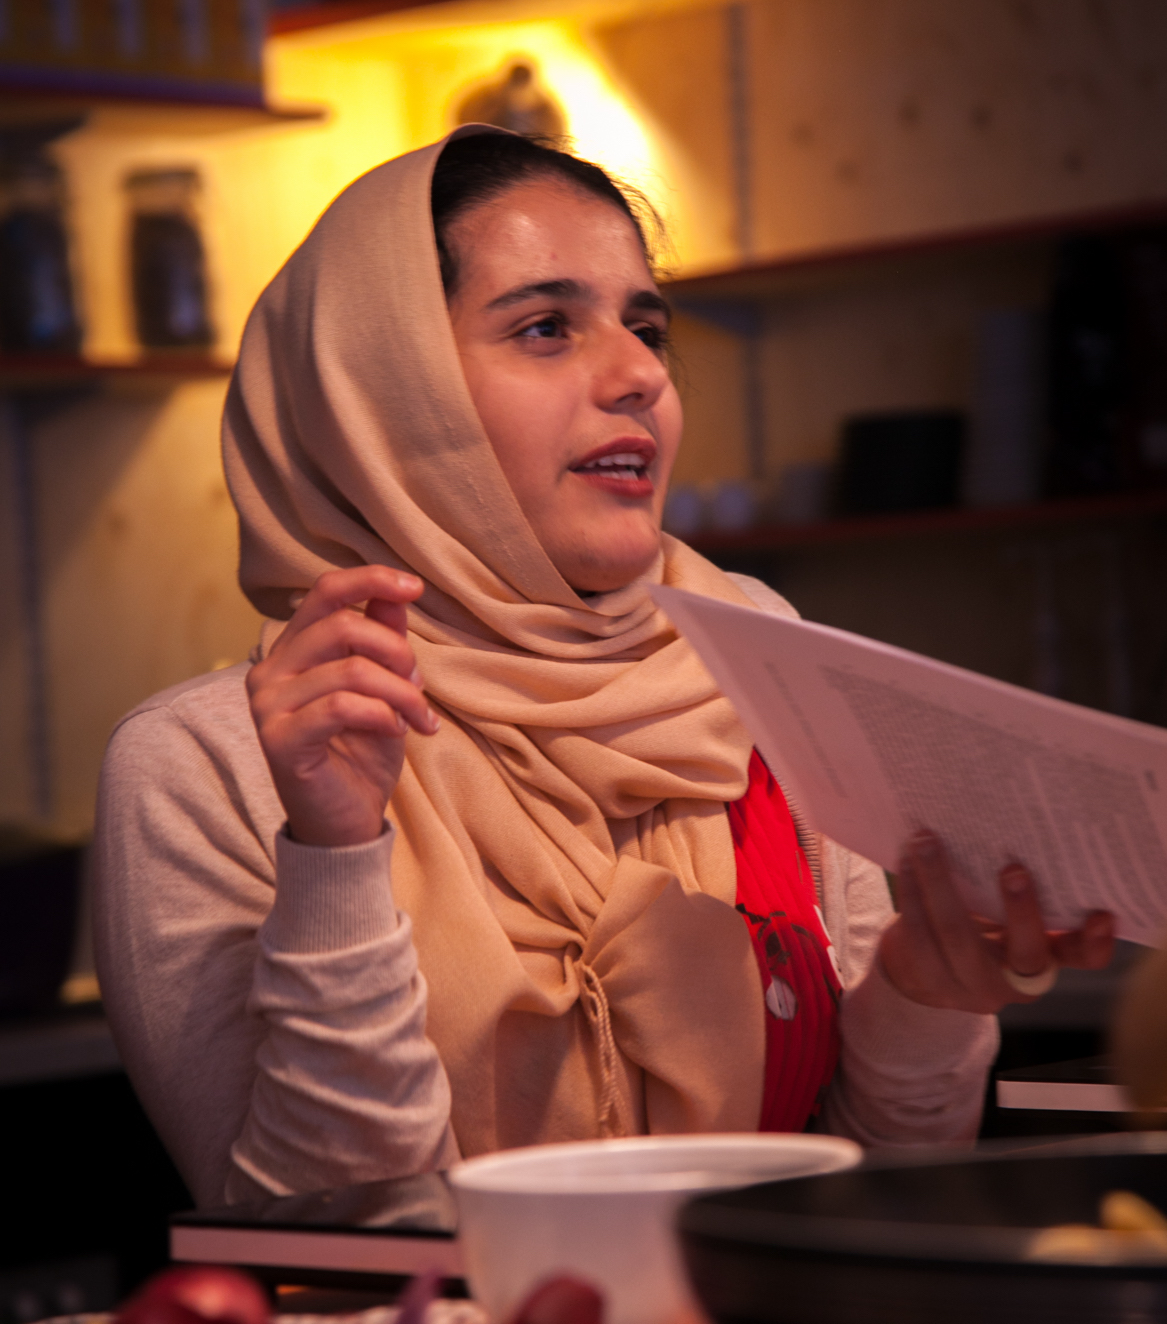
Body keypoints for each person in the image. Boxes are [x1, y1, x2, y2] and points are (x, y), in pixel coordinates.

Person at [94, 128, 1114, 1208]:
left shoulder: (756, 677)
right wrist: (336, 857)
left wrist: (921, 998)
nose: (637, 375)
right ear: (381, 393)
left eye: (645, 326)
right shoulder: (213, 765)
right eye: (544, 327)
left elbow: (862, 1206)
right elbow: (329, 1240)